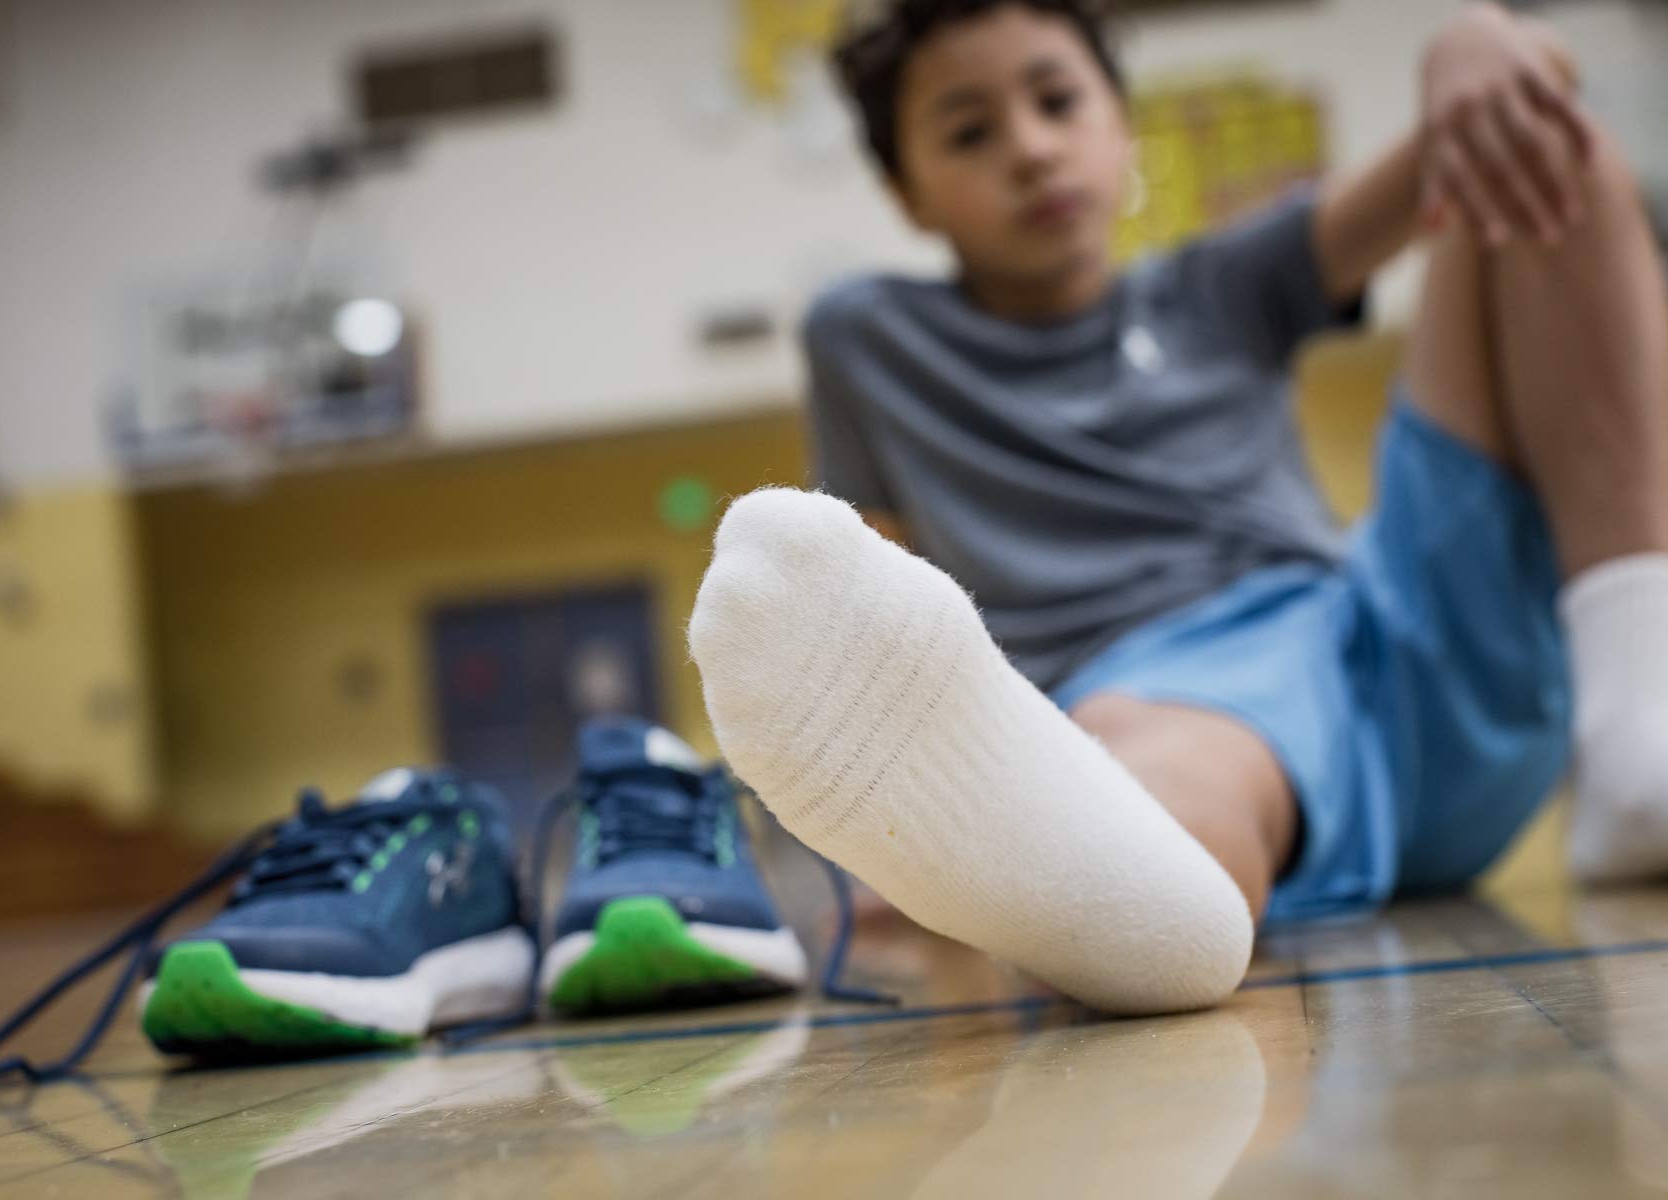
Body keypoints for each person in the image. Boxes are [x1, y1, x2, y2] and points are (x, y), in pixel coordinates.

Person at [687, 0, 1668, 1014]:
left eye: (1059, 103)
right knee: (1155, 733)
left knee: (1549, 144)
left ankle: (1642, 727)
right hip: (1169, 706)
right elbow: (873, 606)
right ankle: (1145, 900)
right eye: (971, 132)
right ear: (908, 195)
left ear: (1121, 128)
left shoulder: (1219, 286)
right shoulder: (869, 338)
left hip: (1408, 656)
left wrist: (1478, 37)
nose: (1030, 148)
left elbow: (1512, 91)